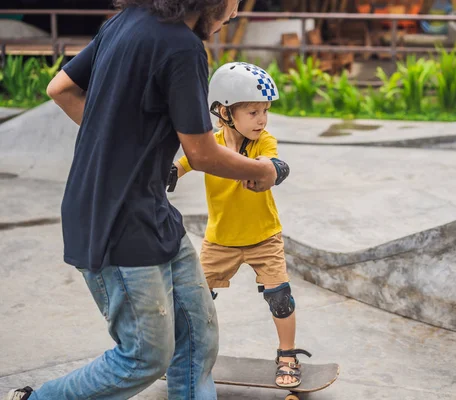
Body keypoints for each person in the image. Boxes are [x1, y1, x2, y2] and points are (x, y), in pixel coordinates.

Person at [5, 0, 285, 399]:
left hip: (149, 210)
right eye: (234, 3)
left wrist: (121, 138)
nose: (235, 13)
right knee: (144, 357)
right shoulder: (183, 47)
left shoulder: (125, 22)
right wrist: (264, 170)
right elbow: (202, 152)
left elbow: (60, 88)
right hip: (116, 222)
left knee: (197, 339)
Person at [173, 62, 310, 388]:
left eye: (265, 111)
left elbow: (272, 163)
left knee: (280, 297)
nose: (262, 119)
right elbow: (186, 162)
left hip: (264, 237)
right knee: (196, 299)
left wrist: (269, 169)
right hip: (220, 239)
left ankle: (287, 355)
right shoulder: (209, 145)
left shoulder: (264, 142)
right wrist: (168, 174)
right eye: (253, 112)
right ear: (224, 111)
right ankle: (183, 354)